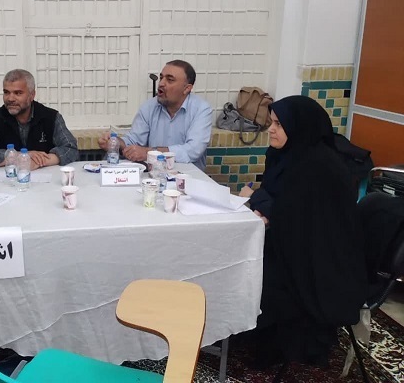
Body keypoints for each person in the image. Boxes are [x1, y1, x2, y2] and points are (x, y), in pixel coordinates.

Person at [238, 95, 367, 368]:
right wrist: (263, 204)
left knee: (252, 270)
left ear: (299, 128)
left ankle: (268, 343)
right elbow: (281, 201)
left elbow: (294, 216)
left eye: (279, 125)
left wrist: (258, 200)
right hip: (295, 244)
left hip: (319, 264)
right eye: (272, 123)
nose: (271, 130)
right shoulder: (286, 155)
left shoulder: (319, 166)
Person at [98, 60, 212, 170]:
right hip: (155, 175)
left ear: (186, 88)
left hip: (188, 177)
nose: (161, 83)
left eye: (170, 80)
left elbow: (192, 150)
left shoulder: (201, 109)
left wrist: (149, 153)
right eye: (161, 78)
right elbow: (134, 140)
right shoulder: (149, 106)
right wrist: (116, 142)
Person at [0, 69, 79, 169]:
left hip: (46, 180)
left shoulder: (51, 117)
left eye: (18, 93)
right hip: (7, 180)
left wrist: (41, 161)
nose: (10, 98)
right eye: (6, 92)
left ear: (32, 95)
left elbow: (71, 149)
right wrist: (19, 157)